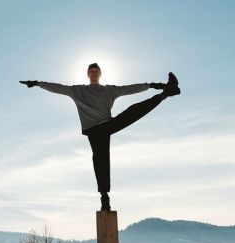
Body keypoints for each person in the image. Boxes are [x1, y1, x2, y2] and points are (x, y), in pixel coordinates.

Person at [19, 62, 181, 211]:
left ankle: (166, 93)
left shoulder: (109, 90)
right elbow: (58, 87)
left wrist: (153, 85)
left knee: (132, 112)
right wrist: (38, 83)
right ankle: (104, 196)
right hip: (93, 130)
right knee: (100, 158)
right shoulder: (77, 90)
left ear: (100, 74)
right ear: (88, 74)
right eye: (92, 70)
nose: (94, 72)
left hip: (107, 125)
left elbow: (130, 89)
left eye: (97, 70)